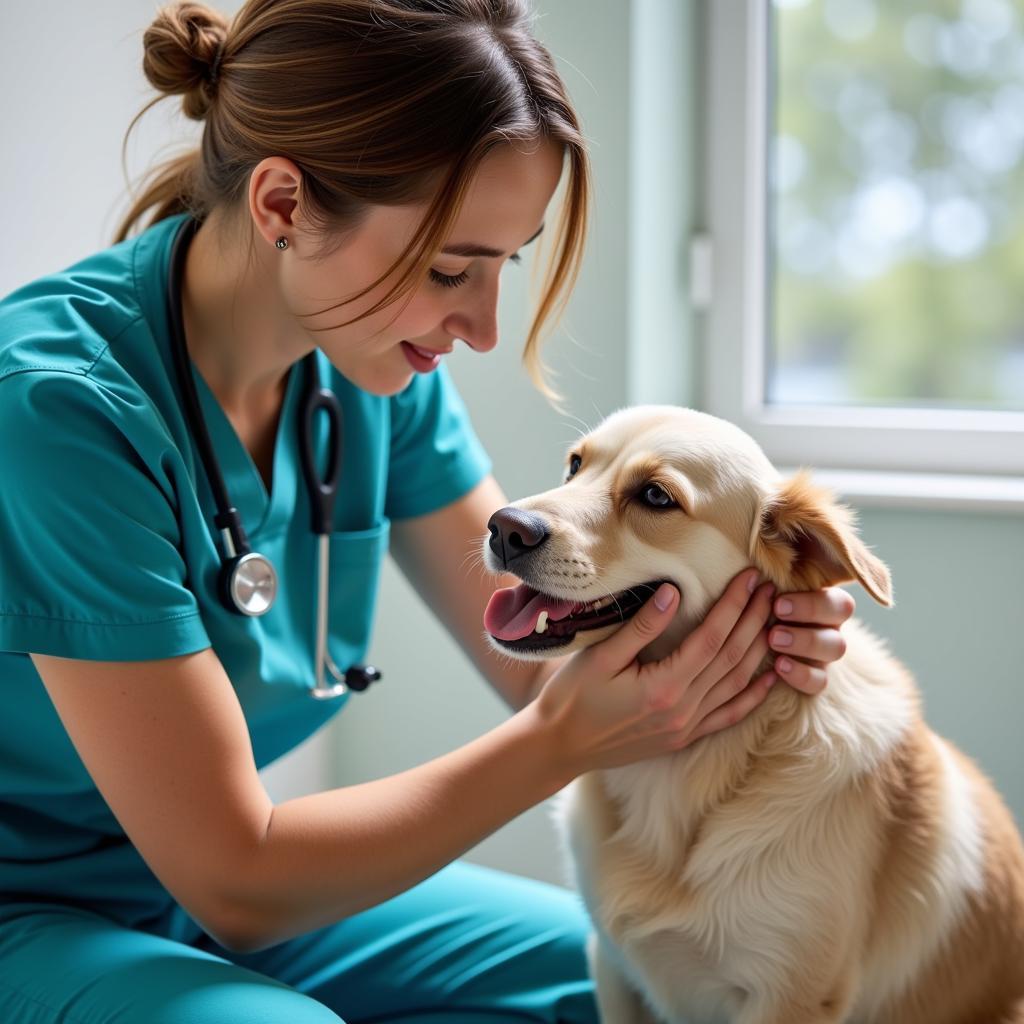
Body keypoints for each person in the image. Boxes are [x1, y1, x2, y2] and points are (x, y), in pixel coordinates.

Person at [0, 2, 856, 1021]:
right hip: (40, 905)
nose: (484, 327)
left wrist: (749, 624)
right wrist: (558, 744)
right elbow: (236, 874)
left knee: (620, 984)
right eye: (452, 268)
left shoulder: (372, 374)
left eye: (507, 262)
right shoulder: (60, 409)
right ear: (281, 204)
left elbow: (533, 648)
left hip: (215, 885)